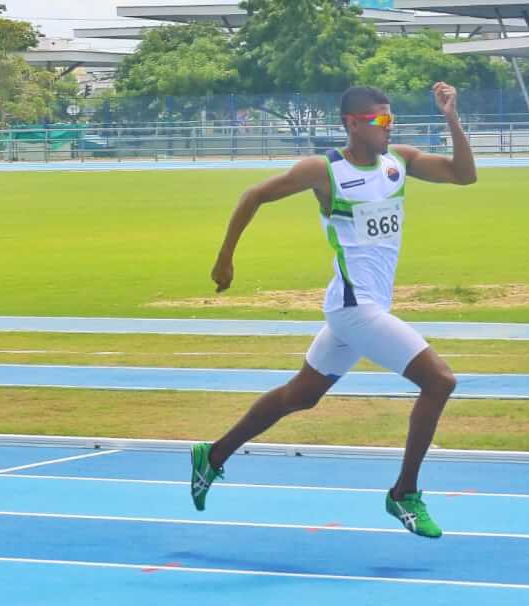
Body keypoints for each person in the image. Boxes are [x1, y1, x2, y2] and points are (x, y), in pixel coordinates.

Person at [190, 82, 477, 539]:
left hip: (365, 306)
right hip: (354, 308)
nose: (388, 126)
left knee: (300, 396)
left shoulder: (397, 162)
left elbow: (464, 176)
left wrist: (451, 117)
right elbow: (253, 195)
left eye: (391, 118)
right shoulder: (324, 171)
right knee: (440, 381)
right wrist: (225, 258)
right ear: (351, 124)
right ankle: (404, 493)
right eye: (379, 119)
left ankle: (214, 454)